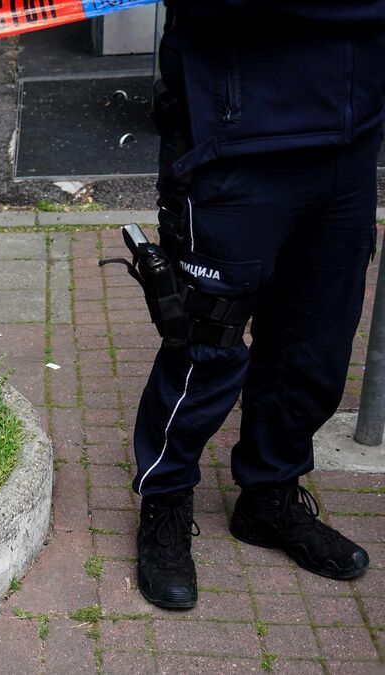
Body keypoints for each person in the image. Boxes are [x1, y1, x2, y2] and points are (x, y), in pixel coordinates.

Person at [127, 0, 385, 610]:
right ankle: (164, 503)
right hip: (230, 145)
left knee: (314, 348)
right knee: (203, 345)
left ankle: (269, 498)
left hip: (348, 149)